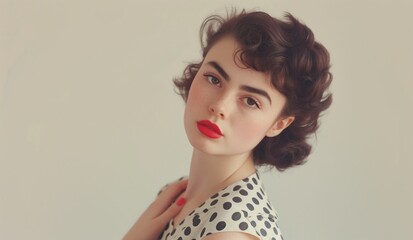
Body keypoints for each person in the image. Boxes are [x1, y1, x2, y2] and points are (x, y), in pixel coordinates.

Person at [123, 9, 332, 240]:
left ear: (279, 124)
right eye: (214, 79)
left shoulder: (230, 232)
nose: (220, 106)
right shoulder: (175, 195)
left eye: (251, 101)